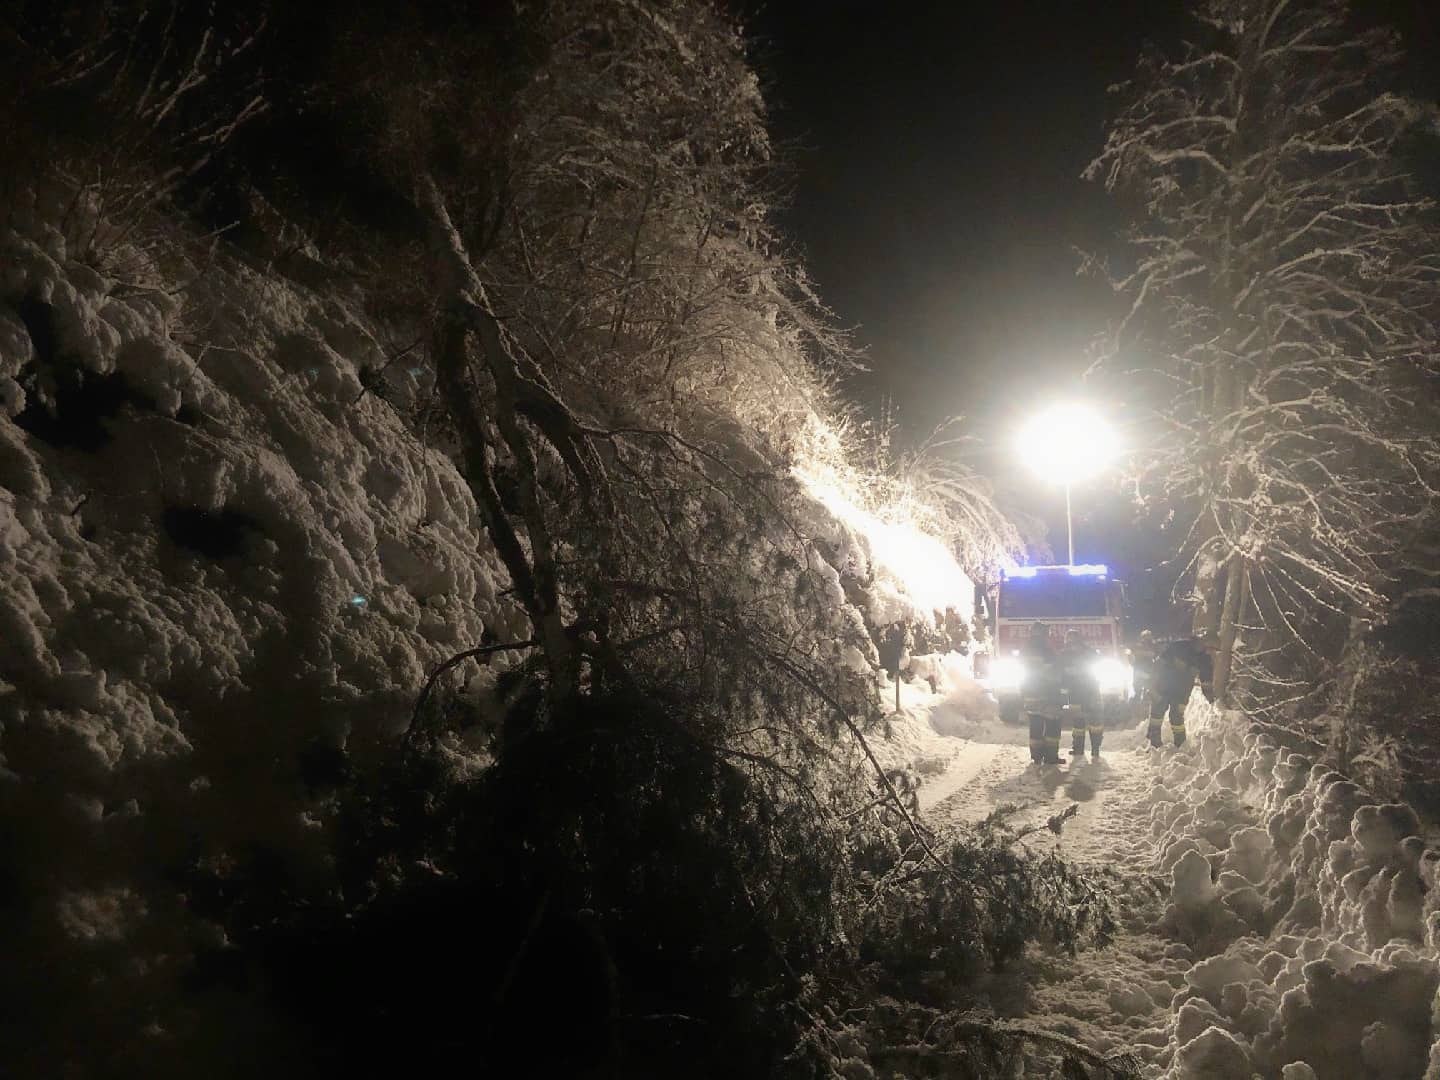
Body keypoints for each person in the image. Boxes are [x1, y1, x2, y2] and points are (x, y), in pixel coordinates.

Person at [1147, 634, 1216, 748]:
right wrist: (1152, 686)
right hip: (1163, 687)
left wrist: (1211, 699)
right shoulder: (1179, 646)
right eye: (1210, 648)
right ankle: (1154, 744)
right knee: (1157, 715)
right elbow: (1159, 664)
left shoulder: (1205, 660)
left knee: (1177, 717)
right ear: (1202, 642)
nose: (1211, 652)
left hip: (1182, 693)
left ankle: (1181, 744)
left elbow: (1206, 681)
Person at [1021, 622, 1064, 764]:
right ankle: (1051, 757)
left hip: (1031, 693)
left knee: (1035, 726)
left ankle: (1036, 756)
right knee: (1053, 724)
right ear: (1043, 633)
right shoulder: (1046, 650)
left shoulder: (1025, 649)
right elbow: (1054, 670)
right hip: (1047, 693)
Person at [1059, 629, 1102, 760]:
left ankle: (1082, 749)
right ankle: (1091, 749)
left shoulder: (1065, 654)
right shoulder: (1090, 653)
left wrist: (1063, 691)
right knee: (1090, 721)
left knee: (1081, 721)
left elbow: (1062, 675)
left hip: (1078, 692)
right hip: (1088, 691)